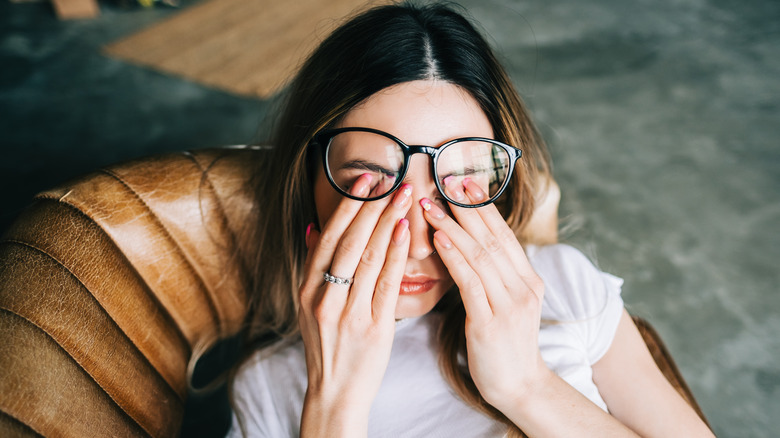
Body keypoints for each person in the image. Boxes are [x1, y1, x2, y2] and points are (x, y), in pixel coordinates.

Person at [227, 2, 714, 437]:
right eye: (371, 185)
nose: (418, 244)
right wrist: (334, 407)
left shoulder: (563, 284)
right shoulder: (268, 388)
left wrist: (526, 385)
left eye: (459, 184)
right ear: (306, 182)